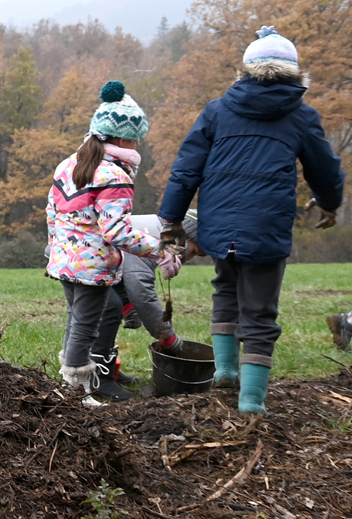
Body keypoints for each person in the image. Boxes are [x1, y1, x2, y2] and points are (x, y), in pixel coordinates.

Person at [158, 27, 345, 414]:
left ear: (246, 72)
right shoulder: (301, 116)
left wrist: (171, 220)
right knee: (259, 311)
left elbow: (185, 170)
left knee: (225, 290)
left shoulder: (217, 110)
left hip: (218, 225)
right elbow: (325, 170)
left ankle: (225, 372)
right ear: (293, 75)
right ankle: (251, 402)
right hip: (266, 226)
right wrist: (329, 203)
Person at [45, 82, 180, 402]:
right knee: (85, 328)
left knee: (75, 320)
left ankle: (68, 384)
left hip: (64, 258)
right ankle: (77, 390)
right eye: (136, 138)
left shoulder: (69, 164)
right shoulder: (115, 174)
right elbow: (116, 231)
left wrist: (55, 245)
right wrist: (162, 249)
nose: (138, 146)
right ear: (121, 139)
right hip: (92, 265)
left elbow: (52, 210)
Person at [63, 211, 198, 400]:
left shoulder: (160, 229)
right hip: (78, 256)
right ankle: (100, 378)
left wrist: (127, 306)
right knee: (108, 308)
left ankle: (107, 368)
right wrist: (167, 337)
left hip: (78, 253)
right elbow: (141, 291)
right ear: (184, 237)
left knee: (112, 306)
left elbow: (124, 271)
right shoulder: (154, 238)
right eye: (192, 251)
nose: (189, 258)